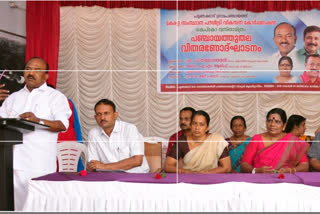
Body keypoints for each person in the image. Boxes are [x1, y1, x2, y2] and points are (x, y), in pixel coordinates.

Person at [0, 57, 71, 210]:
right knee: (13, 207)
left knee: (39, 208)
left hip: (38, 165)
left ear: (46, 76)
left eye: (37, 70)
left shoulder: (56, 97)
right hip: (10, 164)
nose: (31, 72)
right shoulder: (13, 98)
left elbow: (61, 124)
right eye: (28, 69)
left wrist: (38, 120)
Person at [87, 99, 149, 173]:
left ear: (115, 115)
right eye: (99, 114)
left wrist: (104, 166)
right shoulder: (93, 133)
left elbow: (137, 161)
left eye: (106, 113)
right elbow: (93, 164)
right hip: (107, 177)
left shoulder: (129, 129)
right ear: (95, 117)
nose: (102, 118)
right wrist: (95, 166)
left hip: (134, 175)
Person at [241, 108, 309, 173]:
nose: (272, 124)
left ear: (284, 125)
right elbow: (244, 165)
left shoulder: (291, 141)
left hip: (285, 180)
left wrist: (290, 170)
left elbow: (304, 165)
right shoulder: (257, 139)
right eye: (269, 121)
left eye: (277, 122)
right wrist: (257, 171)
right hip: (260, 180)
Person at [164, 110, 231, 173]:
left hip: (211, 178)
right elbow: (167, 166)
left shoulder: (216, 139)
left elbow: (226, 167)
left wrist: (205, 174)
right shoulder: (182, 141)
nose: (197, 128)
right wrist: (187, 172)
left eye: (201, 124)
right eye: (194, 123)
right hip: (189, 179)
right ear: (190, 125)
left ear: (207, 127)